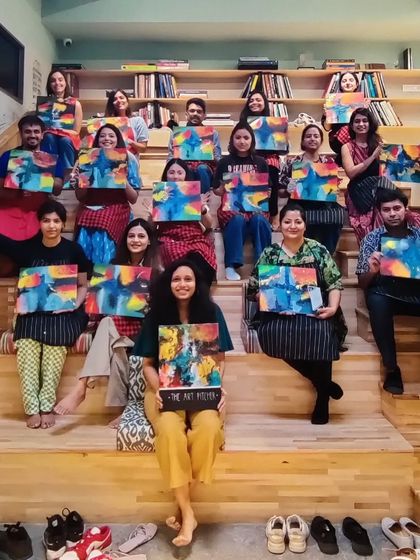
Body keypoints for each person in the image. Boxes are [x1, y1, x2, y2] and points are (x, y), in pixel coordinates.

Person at [133, 258, 233, 547]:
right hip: (163, 391)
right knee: (169, 431)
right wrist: (160, 389)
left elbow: (220, 359)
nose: (182, 284)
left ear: (197, 284)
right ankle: (188, 513)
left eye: (188, 279)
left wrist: (216, 386)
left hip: (202, 391)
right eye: (176, 279)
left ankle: (181, 501)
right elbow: (148, 365)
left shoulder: (211, 312)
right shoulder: (156, 315)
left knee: (209, 429)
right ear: (169, 284)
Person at [248, 202, 344, 424]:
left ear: (305, 225)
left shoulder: (318, 249)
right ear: (279, 225)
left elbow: (334, 284)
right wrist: (275, 303)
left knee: (322, 334)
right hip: (277, 313)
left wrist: (332, 308)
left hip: (314, 309)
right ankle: (324, 384)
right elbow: (254, 289)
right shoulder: (270, 253)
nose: (293, 226)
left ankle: (322, 400)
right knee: (273, 335)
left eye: (298, 221)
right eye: (287, 221)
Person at [55, 218, 155, 427]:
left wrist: (147, 302)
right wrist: (97, 299)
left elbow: (160, 312)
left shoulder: (157, 272)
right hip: (117, 329)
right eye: (131, 235)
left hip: (142, 332)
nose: (135, 240)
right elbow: (101, 307)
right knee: (111, 333)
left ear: (149, 241)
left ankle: (82, 386)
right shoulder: (113, 268)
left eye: (141, 236)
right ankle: (120, 408)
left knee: (111, 332)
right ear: (125, 239)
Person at [0, 200, 90, 429]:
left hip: (63, 314)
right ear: (39, 223)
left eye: (56, 221)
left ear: (63, 224)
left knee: (55, 348)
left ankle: (46, 407)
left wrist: (73, 305)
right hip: (32, 314)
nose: (51, 225)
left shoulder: (73, 250)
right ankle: (32, 408)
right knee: (27, 348)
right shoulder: (27, 249)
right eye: (46, 220)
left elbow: (83, 285)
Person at [356, 188, 420, 395]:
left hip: (415, 292)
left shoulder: (418, 235)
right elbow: (362, 283)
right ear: (380, 212)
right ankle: (392, 369)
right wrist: (372, 270)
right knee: (377, 301)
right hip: (385, 293)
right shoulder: (371, 239)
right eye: (386, 210)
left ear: (405, 209)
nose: (392, 213)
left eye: (396, 208)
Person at [341, 108, 420, 245]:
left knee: (387, 202)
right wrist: (373, 156)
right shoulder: (347, 147)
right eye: (357, 121)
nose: (361, 124)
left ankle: (395, 246)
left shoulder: (380, 142)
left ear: (370, 123)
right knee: (382, 197)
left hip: (380, 187)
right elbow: (351, 173)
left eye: (365, 121)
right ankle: (374, 245)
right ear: (352, 125)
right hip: (358, 190)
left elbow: (391, 169)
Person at [0, 114, 64, 276]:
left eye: (36, 131)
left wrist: (38, 181)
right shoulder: (8, 156)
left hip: (37, 212)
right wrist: (16, 190)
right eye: (27, 131)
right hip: (9, 210)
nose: (32, 135)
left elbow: (58, 188)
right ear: (21, 133)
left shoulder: (50, 159)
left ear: (42, 135)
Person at [73, 124, 141, 263]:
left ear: (117, 139)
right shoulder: (87, 158)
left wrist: (122, 180)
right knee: (84, 222)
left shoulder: (128, 158)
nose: (106, 139)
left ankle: (104, 268)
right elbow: (80, 197)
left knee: (104, 222)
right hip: (91, 205)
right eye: (102, 136)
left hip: (117, 206)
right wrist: (84, 180)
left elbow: (134, 198)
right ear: (97, 140)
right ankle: (86, 267)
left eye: (111, 136)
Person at [213, 121, 272, 281]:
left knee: (259, 220)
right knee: (237, 219)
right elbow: (216, 190)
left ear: (252, 140)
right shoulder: (224, 162)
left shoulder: (260, 162)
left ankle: (264, 266)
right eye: (238, 137)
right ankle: (231, 266)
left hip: (255, 207)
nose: (242, 141)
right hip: (231, 208)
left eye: (246, 137)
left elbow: (267, 189)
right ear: (232, 140)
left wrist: (265, 193)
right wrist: (222, 188)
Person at [279, 124, 346, 254]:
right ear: (303, 140)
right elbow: (280, 192)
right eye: (308, 136)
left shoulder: (328, 162)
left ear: (321, 140)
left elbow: (332, 190)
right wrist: (288, 190)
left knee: (337, 213)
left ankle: (326, 255)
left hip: (323, 205)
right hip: (300, 205)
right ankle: (302, 255)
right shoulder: (293, 162)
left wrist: (334, 189)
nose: (312, 139)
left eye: (316, 136)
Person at [156, 158, 217, 286]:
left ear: (186, 175)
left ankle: (199, 293)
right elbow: (152, 227)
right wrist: (152, 216)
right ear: (166, 175)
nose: (175, 176)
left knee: (201, 258)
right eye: (171, 172)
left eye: (180, 173)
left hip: (194, 238)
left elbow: (209, 224)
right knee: (175, 255)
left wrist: (202, 208)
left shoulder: (193, 194)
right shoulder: (160, 194)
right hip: (170, 238)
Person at [240, 91, 283, 230]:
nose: (254, 103)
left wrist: (280, 142)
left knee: (271, 168)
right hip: (249, 157)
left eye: (258, 100)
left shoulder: (274, 123)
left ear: (265, 103)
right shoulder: (242, 124)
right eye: (251, 100)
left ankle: (274, 214)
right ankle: (250, 210)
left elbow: (282, 150)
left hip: (269, 158)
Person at [167, 98, 222, 193]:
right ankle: (189, 200)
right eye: (192, 111)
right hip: (183, 168)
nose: (195, 113)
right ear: (186, 114)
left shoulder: (212, 133)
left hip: (205, 169)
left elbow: (219, 160)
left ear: (204, 116)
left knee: (201, 168)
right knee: (186, 169)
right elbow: (170, 158)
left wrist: (213, 156)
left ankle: (204, 200)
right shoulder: (177, 134)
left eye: (199, 111)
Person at [40, 69, 83, 169]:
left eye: (60, 80)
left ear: (65, 83)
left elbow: (76, 132)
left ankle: (68, 173)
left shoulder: (75, 104)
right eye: (53, 80)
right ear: (49, 85)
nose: (57, 83)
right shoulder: (44, 104)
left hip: (68, 138)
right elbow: (40, 129)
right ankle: (49, 171)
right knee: (49, 137)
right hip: (49, 138)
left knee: (65, 140)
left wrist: (59, 131)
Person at [322, 72, 360, 157]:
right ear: (340, 85)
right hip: (338, 142)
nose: (348, 83)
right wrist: (328, 115)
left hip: (358, 139)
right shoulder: (333, 101)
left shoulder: (361, 102)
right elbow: (327, 128)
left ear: (356, 84)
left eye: (351, 80)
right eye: (344, 81)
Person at [105, 89, 149, 155]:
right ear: (111, 104)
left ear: (127, 101)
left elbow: (143, 148)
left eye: (121, 98)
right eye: (115, 99)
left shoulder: (137, 121)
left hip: (131, 161)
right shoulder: (106, 123)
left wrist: (128, 141)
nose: (119, 101)